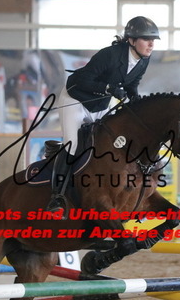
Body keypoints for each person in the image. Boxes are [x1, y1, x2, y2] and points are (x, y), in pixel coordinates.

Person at [46, 16, 160, 215]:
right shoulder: (110, 55)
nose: (151, 44)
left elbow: (132, 85)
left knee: (108, 143)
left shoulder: (144, 60)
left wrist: (138, 103)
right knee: (72, 145)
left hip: (101, 104)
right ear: (132, 40)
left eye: (153, 40)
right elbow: (81, 80)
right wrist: (109, 88)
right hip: (76, 99)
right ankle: (57, 197)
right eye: (146, 39)